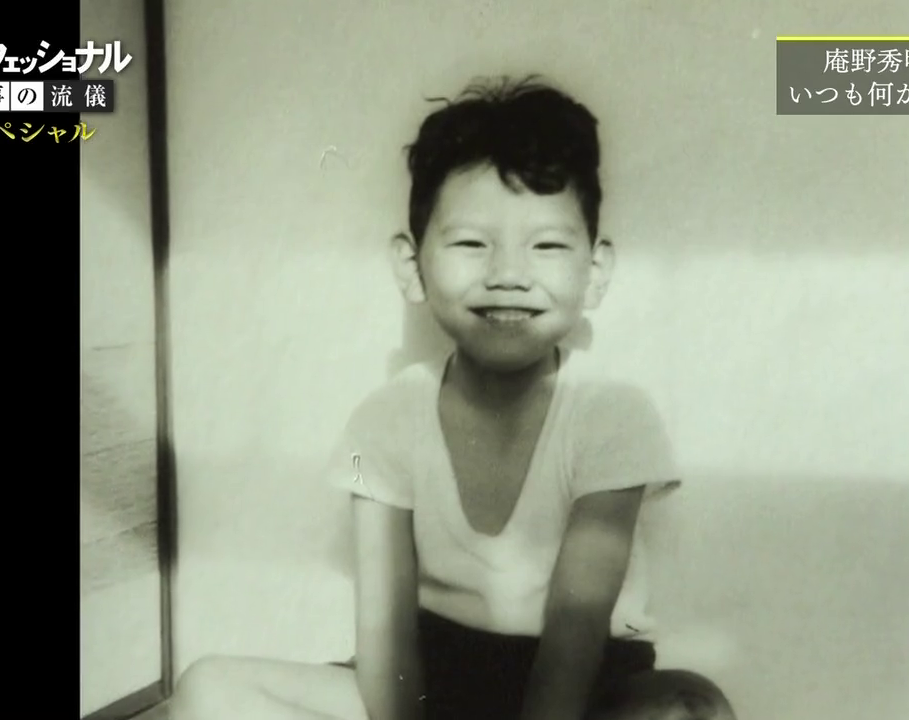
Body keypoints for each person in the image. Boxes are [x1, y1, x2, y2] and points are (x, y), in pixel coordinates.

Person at [171, 75, 736, 720]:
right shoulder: (384, 420)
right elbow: (385, 641)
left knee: (690, 709)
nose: (508, 275)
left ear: (595, 272)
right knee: (210, 689)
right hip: (429, 689)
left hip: (580, 696)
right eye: (471, 243)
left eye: (547, 245)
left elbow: (573, 642)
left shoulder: (612, 415)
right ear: (412, 267)